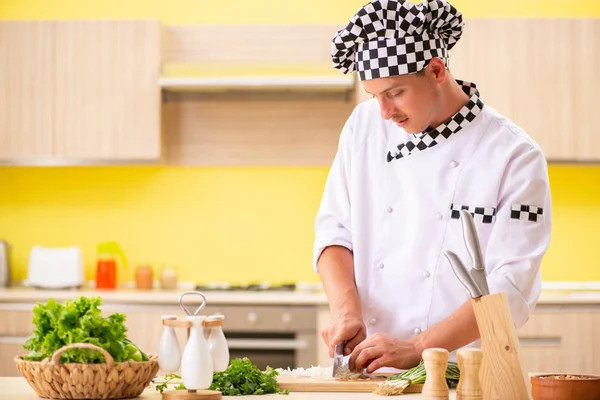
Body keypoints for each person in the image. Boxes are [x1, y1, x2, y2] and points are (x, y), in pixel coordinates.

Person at [313, 0, 552, 374]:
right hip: (369, 370)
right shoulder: (363, 128)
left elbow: (510, 288)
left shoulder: (514, 155)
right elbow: (334, 233)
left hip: (461, 372)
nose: (385, 113)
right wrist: (346, 310)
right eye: (374, 96)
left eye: (394, 93)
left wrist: (417, 347)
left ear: (437, 70)